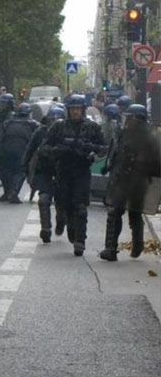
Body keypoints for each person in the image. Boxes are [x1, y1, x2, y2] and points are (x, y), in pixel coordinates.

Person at [44, 94, 106, 256]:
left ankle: (80, 241)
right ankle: (65, 224)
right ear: (68, 110)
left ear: (83, 110)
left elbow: (103, 149)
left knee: (80, 207)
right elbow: (44, 148)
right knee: (63, 205)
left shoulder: (92, 127)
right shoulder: (58, 127)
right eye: (72, 109)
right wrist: (59, 150)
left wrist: (88, 148)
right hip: (63, 171)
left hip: (81, 171)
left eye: (78, 109)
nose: (75, 112)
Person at [99, 105, 161, 261]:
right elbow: (115, 153)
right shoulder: (123, 133)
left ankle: (137, 245)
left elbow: (157, 163)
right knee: (116, 212)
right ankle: (111, 248)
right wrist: (108, 166)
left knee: (133, 213)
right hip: (122, 178)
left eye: (132, 118)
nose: (129, 121)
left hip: (137, 180)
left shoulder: (150, 138)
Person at [23, 107, 66, 242]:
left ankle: (61, 221)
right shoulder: (40, 132)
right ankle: (45, 228)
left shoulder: (68, 132)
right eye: (52, 120)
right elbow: (30, 148)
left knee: (62, 202)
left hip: (63, 171)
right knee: (44, 200)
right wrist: (24, 164)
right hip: (45, 170)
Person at [0, 103, 39, 203]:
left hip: (6, 149)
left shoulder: (7, 123)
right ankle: (13, 193)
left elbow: (0, 137)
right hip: (22, 150)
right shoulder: (32, 124)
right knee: (20, 171)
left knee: (6, 171)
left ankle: (7, 192)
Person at [0, 93, 15, 196]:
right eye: (1, 103)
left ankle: (9, 191)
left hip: (8, 145)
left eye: (4, 104)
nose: (2, 106)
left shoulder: (13, 115)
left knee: (8, 169)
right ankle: (0, 188)